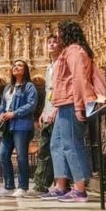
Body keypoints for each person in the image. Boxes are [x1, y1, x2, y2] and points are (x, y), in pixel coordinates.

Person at [43, 20, 98, 203]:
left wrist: (80, 106)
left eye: (59, 33)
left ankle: (80, 189)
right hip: (63, 104)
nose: (57, 37)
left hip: (71, 102)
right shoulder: (68, 51)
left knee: (72, 144)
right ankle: (61, 186)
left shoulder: (74, 50)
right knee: (56, 144)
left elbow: (78, 79)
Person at [0, 60, 37, 198]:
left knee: (21, 156)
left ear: (25, 70)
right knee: (2, 154)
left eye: (20, 65)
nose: (16, 67)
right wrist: (1, 113)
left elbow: (32, 104)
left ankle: (23, 187)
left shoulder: (29, 86)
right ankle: (9, 186)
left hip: (22, 125)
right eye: (14, 65)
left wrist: (15, 113)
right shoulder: (8, 87)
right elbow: (3, 104)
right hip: (7, 125)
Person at [34, 34, 62, 197]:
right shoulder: (49, 66)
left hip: (58, 110)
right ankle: (42, 184)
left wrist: (55, 109)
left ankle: (62, 184)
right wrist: (44, 110)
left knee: (57, 148)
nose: (51, 45)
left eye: (54, 42)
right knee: (45, 148)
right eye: (49, 42)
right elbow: (48, 91)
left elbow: (62, 88)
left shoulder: (62, 64)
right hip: (49, 110)